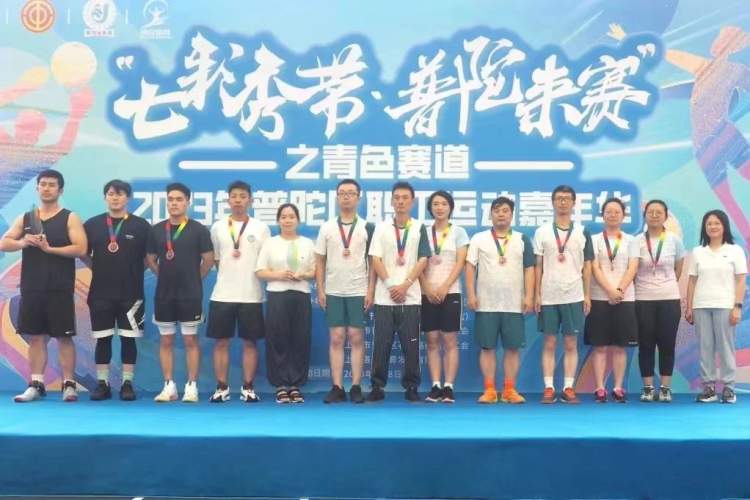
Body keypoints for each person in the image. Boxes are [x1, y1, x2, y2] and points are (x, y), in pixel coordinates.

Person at [0, 169, 87, 402]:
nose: (47, 188)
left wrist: (50, 249)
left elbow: (80, 248)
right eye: (43, 184)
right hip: (32, 287)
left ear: (60, 190)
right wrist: (23, 241)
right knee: (36, 337)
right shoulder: (26, 218)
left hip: (60, 287)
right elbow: (4, 243)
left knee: (64, 337)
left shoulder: (70, 217)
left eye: (52, 185)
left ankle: (69, 384)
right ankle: (36, 384)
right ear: (37, 188)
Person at [83, 179, 150, 401]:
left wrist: (132, 270)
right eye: (111, 193)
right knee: (103, 339)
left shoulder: (141, 226)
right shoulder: (92, 224)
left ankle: (127, 383)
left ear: (128, 198)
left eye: (120, 194)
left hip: (131, 293)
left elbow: (149, 257)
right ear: (105, 197)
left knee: (129, 339)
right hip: (100, 293)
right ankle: (102, 384)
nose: (115, 198)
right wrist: (98, 267)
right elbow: (83, 253)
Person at [146, 182, 214, 403]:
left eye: (179, 199)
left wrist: (193, 279)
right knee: (166, 341)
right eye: (171, 199)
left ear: (187, 202)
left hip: (190, 295)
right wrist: (164, 275)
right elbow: (150, 259)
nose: (174, 203)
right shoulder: (157, 230)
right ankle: (169, 386)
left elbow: (208, 260)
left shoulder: (198, 230)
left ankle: (191, 386)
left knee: (190, 340)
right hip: (164, 295)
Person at [366, 181, 431, 403]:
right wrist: (390, 284)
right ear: (392, 201)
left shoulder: (419, 227)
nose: (401, 201)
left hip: (410, 297)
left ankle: (411, 386)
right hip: (385, 297)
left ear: (412, 201)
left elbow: (423, 259)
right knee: (381, 344)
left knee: (411, 345)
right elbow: (375, 258)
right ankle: (377, 386)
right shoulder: (381, 228)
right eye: (397, 198)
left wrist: (405, 285)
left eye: (405, 198)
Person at [466, 196, 534, 404]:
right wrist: (471, 294)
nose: (501, 214)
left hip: (514, 304)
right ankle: (489, 390)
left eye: (505, 210)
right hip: (486, 303)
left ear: (512, 214)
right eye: (496, 211)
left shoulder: (522, 239)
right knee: (487, 348)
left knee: (512, 348)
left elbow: (529, 269)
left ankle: (509, 390)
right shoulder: (479, 238)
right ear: (490, 215)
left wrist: (529, 296)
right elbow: (470, 267)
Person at [207, 181, 270, 403]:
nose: (238, 200)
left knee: (250, 343)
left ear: (250, 200)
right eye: (234, 196)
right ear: (228, 200)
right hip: (222, 294)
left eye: (242, 196)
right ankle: (221, 387)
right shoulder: (218, 227)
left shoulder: (261, 228)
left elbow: (264, 261)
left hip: (251, 295)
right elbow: (216, 259)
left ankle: (248, 387)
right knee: (221, 342)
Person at [315, 179, 375, 404]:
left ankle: (356, 386)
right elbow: (319, 261)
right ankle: (337, 386)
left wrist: (371, 290)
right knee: (337, 338)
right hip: (333, 290)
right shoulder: (327, 227)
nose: (346, 197)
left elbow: (373, 262)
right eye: (342, 193)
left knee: (356, 337)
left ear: (359, 197)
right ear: (337, 197)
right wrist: (321, 289)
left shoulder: (368, 227)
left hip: (358, 290)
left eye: (351, 193)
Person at [534, 185, 593, 404]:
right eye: (559, 198)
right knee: (549, 342)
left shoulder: (582, 231)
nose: (563, 202)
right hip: (549, 295)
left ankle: (568, 387)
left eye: (567, 198)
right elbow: (538, 265)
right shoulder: (542, 232)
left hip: (574, 295)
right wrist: (536, 294)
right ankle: (548, 387)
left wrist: (587, 294)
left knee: (570, 343)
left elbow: (588, 266)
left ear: (574, 203)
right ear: (552, 202)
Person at [256, 203, 316, 404]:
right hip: (277, 294)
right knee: (277, 339)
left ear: (298, 220)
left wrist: (303, 275)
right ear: (278, 221)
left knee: (300, 339)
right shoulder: (270, 243)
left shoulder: (308, 243)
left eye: (291, 217)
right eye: (283, 217)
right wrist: (278, 275)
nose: (287, 220)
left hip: (301, 294)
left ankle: (296, 385)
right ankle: (280, 385)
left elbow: (316, 271)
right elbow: (260, 271)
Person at [686, 209, 746, 404]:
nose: (713, 227)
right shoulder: (698, 252)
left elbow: (740, 281)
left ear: (724, 226)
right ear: (705, 228)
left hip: (725, 305)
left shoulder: (735, 250)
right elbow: (692, 281)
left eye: (717, 223)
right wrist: (689, 307)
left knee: (726, 347)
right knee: (705, 347)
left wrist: (737, 306)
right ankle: (709, 388)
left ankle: (729, 387)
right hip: (701, 305)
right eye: (709, 224)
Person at [584, 198, 639, 403]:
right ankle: (599, 387)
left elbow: (633, 267)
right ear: (603, 215)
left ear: (623, 215)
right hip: (599, 296)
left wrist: (619, 290)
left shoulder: (631, 240)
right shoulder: (594, 240)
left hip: (625, 298)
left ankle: (617, 387)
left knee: (620, 346)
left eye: (617, 212)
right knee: (599, 346)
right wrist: (609, 290)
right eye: (608, 212)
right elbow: (594, 267)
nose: (613, 215)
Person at [634, 200, 685, 403]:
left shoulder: (674, 240)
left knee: (667, 345)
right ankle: (648, 388)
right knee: (645, 345)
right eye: (651, 212)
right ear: (645, 215)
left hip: (669, 299)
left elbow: (678, 268)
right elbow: (632, 269)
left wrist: (665, 284)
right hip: (643, 299)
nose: (654, 215)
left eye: (659, 212)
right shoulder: (637, 241)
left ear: (665, 216)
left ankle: (665, 388)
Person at [420, 190, 468, 403]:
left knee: (449, 340)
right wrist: (427, 287)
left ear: (450, 207)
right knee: (431, 340)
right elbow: (418, 262)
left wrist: (445, 287)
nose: (439, 208)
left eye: (444, 204)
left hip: (451, 292)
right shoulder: (423, 232)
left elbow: (460, 262)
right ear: (430, 208)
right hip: (427, 293)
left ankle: (448, 386)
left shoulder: (458, 232)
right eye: (436, 204)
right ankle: (435, 385)